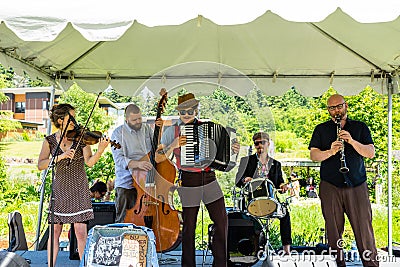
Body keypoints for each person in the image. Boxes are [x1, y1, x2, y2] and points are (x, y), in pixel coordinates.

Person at [155, 93, 239, 267]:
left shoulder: (206, 127)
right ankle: (188, 265)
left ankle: (220, 264)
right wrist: (173, 145)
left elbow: (222, 151)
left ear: (196, 110)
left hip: (209, 178)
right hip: (188, 179)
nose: (187, 114)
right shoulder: (173, 131)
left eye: (190, 110)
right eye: (183, 111)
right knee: (189, 227)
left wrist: (233, 149)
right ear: (179, 113)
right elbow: (158, 157)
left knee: (222, 221)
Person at [309, 94, 378, 267]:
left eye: (339, 106)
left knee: (364, 230)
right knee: (333, 231)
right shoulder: (321, 129)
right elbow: (313, 155)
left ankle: (371, 264)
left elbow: (370, 153)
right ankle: (338, 264)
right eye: (332, 108)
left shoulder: (360, 127)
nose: (336, 111)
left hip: (357, 184)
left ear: (346, 105)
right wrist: (331, 152)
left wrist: (352, 141)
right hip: (330, 185)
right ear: (328, 110)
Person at [37, 103, 110, 266]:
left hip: (78, 189)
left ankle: (84, 265)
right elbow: (41, 164)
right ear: (61, 120)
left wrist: (100, 150)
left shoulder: (81, 139)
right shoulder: (49, 141)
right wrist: (60, 157)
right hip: (60, 190)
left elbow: (90, 162)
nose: (75, 122)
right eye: (71, 118)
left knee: (81, 232)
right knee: (54, 232)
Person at [236, 132, 292, 255]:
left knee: (285, 214)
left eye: (263, 142)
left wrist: (284, 187)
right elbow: (237, 181)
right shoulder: (246, 161)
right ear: (254, 145)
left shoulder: (276, 164)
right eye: (257, 143)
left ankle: (286, 249)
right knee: (247, 220)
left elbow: (279, 184)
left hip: (271, 201)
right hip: (252, 201)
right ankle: (254, 249)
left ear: (268, 143)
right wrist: (245, 179)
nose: (260, 145)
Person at [111, 104, 162, 223]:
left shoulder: (146, 129)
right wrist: (138, 164)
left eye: (140, 118)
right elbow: (119, 159)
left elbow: (156, 149)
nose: (138, 121)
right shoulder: (118, 134)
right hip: (126, 184)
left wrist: (158, 131)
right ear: (126, 119)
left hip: (147, 183)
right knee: (123, 220)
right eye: (134, 120)